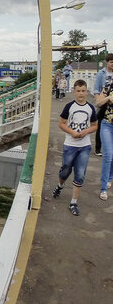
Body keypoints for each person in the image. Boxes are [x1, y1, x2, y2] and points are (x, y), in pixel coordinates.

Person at [53, 80, 97, 215]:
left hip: (84, 146)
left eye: (83, 91)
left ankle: (73, 202)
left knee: (80, 173)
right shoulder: (69, 106)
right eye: (78, 91)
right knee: (65, 169)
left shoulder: (90, 108)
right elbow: (61, 123)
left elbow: (95, 125)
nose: (81, 93)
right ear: (74, 92)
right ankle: (60, 185)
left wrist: (85, 132)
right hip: (70, 145)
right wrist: (72, 132)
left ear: (87, 91)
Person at [94, 53, 113, 199]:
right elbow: (98, 102)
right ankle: (103, 188)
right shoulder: (108, 86)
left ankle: (109, 178)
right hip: (107, 123)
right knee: (108, 154)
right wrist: (108, 98)